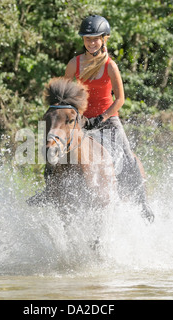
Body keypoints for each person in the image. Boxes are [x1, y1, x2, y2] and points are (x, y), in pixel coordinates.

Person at [64, 15, 154, 223]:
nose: (91, 42)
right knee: (55, 145)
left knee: (128, 157)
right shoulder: (73, 65)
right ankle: (49, 189)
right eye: (88, 39)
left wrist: (102, 117)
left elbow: (120, 99)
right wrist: (74, 116)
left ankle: (142, 203)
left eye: (96, 38)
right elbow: (66, 95)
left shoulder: (110, 66)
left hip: (108, 119)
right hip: (82, 119)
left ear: (104, 39)